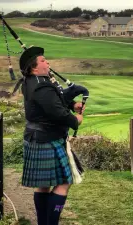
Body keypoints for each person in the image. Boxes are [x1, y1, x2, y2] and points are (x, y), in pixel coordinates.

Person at [19, 46, 84, 225]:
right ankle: (51, 221)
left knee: (43, 185)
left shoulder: (32, 81)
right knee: (64, 182)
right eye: (43, 61)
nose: (47, 62)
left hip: (37, 138)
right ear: (34, 68)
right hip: (46, 139)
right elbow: (57, 113)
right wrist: (75, 120)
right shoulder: (42, 86)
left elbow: (53, 101)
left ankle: (43, 222)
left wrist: (71, 104)